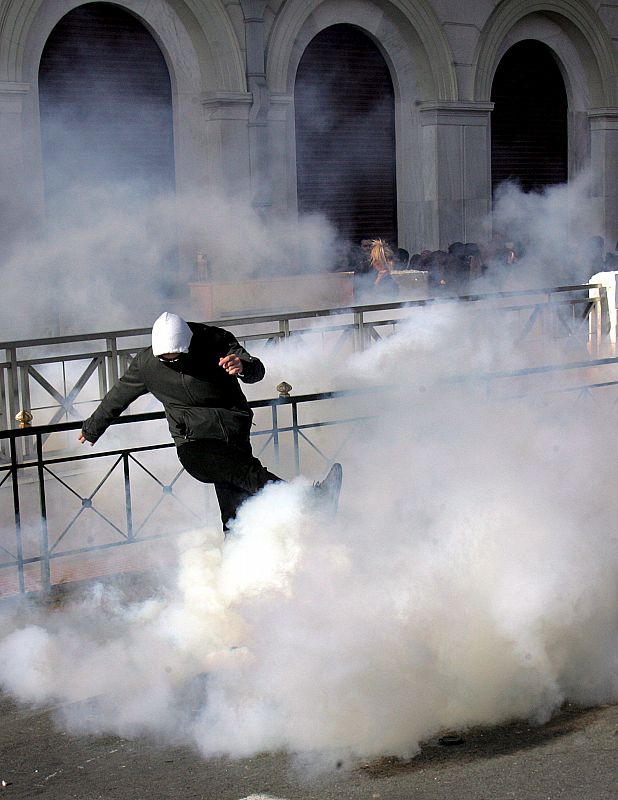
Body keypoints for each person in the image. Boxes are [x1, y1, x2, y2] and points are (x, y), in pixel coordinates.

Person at [80, 312, 342, 532]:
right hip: (194, 442)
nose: (172, 362)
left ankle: (239, 573)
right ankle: (311, 502)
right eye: (166, 358)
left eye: (177, 356)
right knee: (249, 475)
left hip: (233, 432)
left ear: (189, 343)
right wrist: (92, 429)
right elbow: (119, 395)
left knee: (235, 513)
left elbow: (257, 371)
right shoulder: (146, 364)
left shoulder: (215, 340)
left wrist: (244, 366)